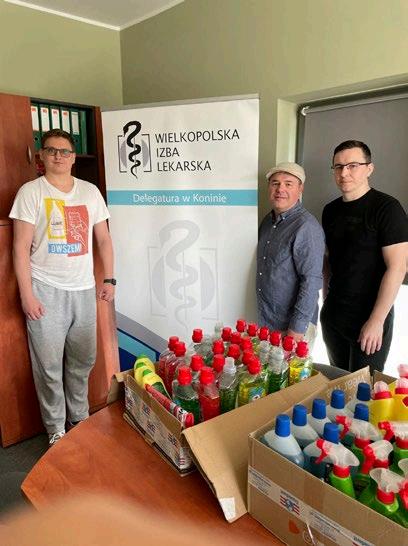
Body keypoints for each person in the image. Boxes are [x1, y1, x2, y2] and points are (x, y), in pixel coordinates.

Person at [9, 129, 115, 446]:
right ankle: (56, 428)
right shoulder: (30, 192)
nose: (58, 155)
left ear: (73, 157)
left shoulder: (90, 193)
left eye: (65, 151)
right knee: (49, 367)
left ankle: (78, 418)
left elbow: (104, 240)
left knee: (83, 361)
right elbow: (20, 248)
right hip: (45, 290)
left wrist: (109, 278)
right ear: (41, 156)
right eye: (52, 150)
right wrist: (27, 295)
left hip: (83, 290)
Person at [321, 140, 408, 373]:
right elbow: (328, 261)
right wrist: (325, 301)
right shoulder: (330, 210)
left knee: (363, 388)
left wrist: (377, 321)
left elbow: (398, 267)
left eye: (353, 165)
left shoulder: (387, 208)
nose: (344, 173)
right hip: (334, 315)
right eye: (338, 166)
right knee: (337, 381)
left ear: (369, 168)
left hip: (369, 318)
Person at [257, 162, 325, 345]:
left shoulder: (306, 227)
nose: (280, 189)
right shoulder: (267, 222)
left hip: (293, 329)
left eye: (288, 184)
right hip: (267, 323)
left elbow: (311, 282)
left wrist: (295, 330)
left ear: (300, 189)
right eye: (275, 183)